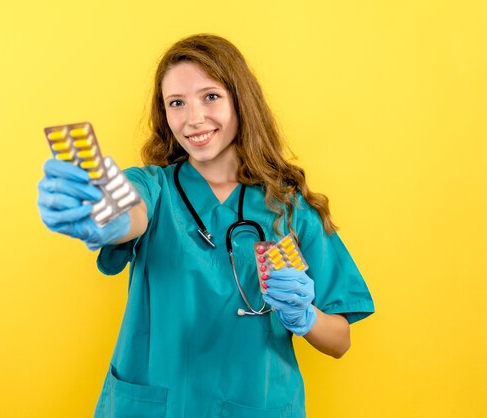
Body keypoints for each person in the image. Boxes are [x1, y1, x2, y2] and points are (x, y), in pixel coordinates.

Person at [38, 34, 374, 418]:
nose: (193, 119)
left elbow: (340, 341)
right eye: (176, 103)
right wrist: (97, 213)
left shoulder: (289, 209)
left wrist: (306, 316)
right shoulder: (155, 186)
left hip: (254, 405)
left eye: (210, 96)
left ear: (240, 101)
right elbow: (128, 211)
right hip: (157, 406)